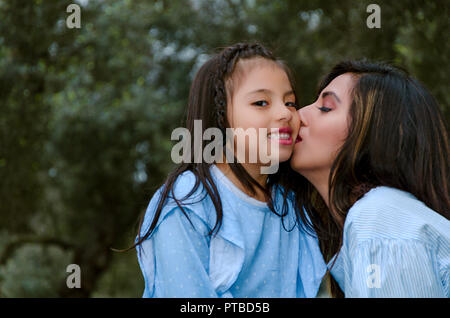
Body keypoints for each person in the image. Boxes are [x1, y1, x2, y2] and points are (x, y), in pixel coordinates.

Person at [132, 43, 326, 297]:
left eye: (290, 102)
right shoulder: (187, 202)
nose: (285, 113)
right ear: (220, 116)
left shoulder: (290, 206)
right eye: (261, 102)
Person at [287, 59, 450, 297]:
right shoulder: (372, 224)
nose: (298, 115)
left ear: (378, 135)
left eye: (326, 107)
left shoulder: (379, 218)